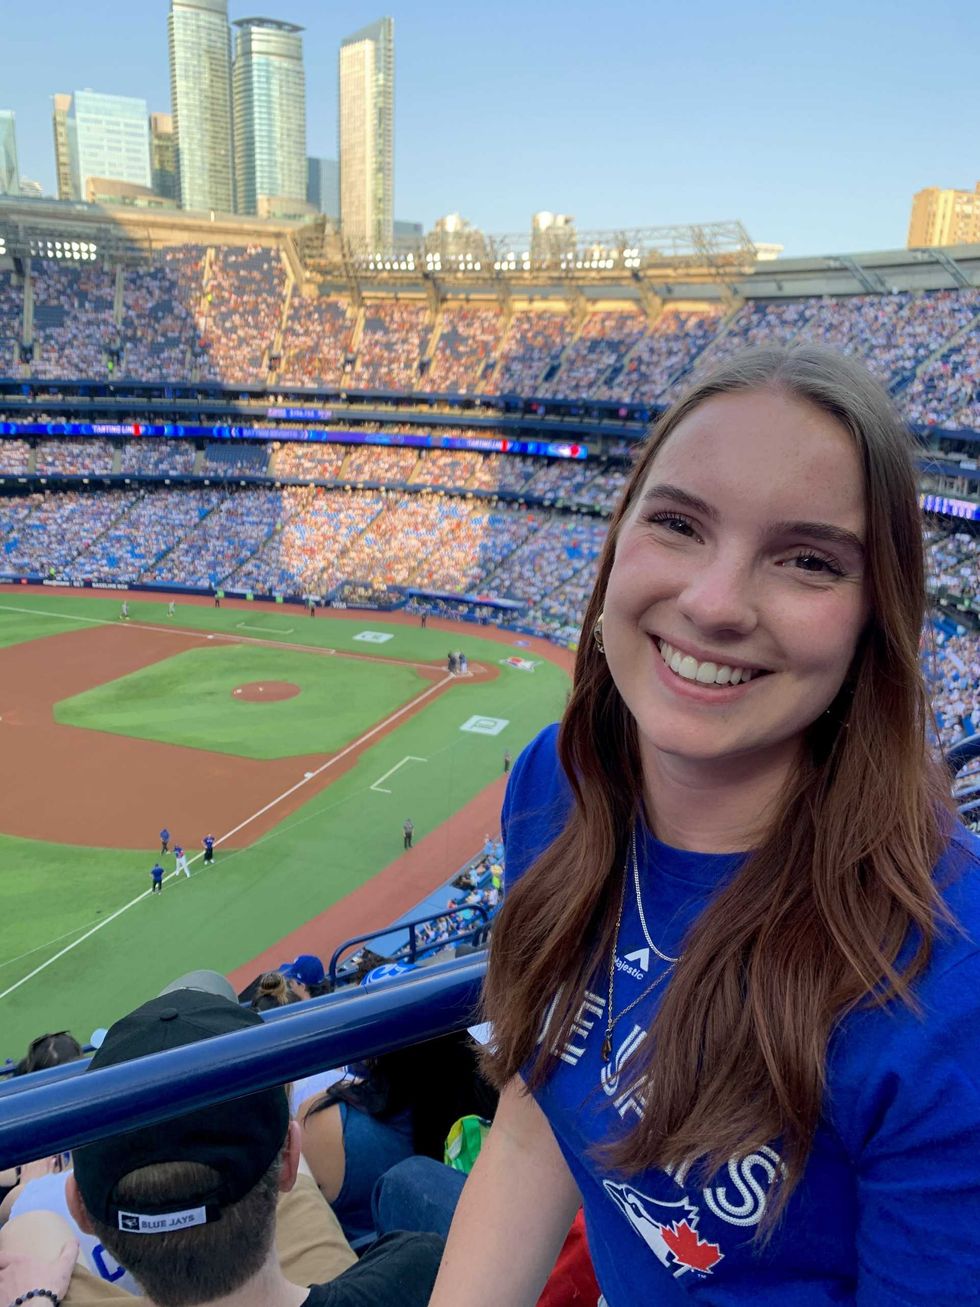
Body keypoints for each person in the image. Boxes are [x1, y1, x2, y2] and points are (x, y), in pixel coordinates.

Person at [428, 346, 980, 1305]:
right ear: (616, 549)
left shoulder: (953, 971)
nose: (717, 604)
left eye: (807, 559)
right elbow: (530, 1129)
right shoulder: (552, 790)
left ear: (870, 623)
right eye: (679, 523)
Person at [0, 989, 443, 1306]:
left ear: (81, 1209)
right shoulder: (419, 1271)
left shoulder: (39, 1265)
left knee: (32, 1231)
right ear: (292, 1159)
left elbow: (32, 1234)